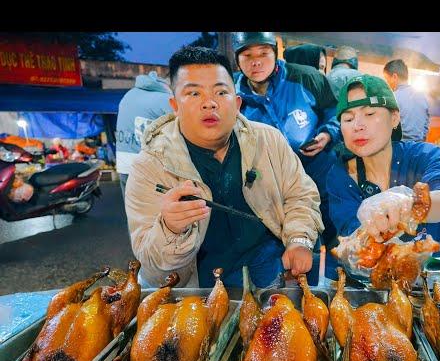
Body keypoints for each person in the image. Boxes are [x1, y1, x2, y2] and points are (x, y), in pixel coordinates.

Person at [124, 46, 323, 289]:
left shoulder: (269, 140)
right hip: (202, 289)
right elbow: (153, 269)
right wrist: (169, 229)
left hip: (272, 270)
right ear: (174, 105)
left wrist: (299, 239)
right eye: (194, 94)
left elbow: (301, 195)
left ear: (237, 102)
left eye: (220, 92)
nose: (209, 103)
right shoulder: (150, 166)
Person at [326, 75, 440, 279]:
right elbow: (353, 238)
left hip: (430, 280)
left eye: (370, 113)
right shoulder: (340, 176)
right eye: (348, 118)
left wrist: (408, 204)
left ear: (394, 118)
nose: (357, 125)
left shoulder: (423, 156)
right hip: (370, 282)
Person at [232, 32, 341, 252]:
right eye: (247, 55)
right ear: (238, 61)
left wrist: (328, 134)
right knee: (292, 247)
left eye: (264, 53)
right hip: (275, 187)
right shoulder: (233, 97)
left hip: (321, 175)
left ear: (275, 53)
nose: (256, 62)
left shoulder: (306, 78)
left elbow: (337, 113)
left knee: (334, 244)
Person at [116, 71, 173, 197]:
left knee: (132, 212)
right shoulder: (165, 99)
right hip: (146, 168)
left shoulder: (129, 95)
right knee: (153, 213)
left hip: (123, 165)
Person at [383, 59, 430, 142]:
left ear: (394, 77)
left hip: (401, 147)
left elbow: (387, 126)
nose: (387, 83)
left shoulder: (393, 97)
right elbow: (426, 124)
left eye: (387, 79)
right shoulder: (422, 96)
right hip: (419, 146)